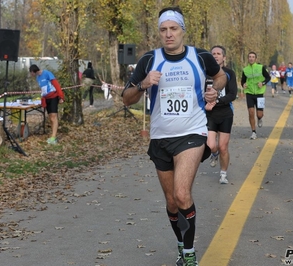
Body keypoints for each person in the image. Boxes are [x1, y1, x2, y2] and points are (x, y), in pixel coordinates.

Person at [121, 6, 227, 266]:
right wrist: (143, 84)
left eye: (173, 29)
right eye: (163, 30)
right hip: (160, 138)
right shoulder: (149, 60)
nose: (168, 34)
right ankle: (181, 245)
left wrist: (214, 89)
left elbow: (220, 76)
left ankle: (189, 255)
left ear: (183, 31)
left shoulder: (200, 56)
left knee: (181, 194)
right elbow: (126, 98)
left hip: (192, 132)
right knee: (171, 202)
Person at [206, 45, 237, 184]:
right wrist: (205, 103)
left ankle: (223, 174)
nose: (215, 56)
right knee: (211, 144)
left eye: (218, 53)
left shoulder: (230, 73)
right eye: (213, 54)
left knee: (223, 147)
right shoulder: (205, 73)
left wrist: (217, 100)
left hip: (225, 113)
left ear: (224, 57)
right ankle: (214, 153)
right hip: (210, 113)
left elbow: (232, 94)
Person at [29, 64, 65, 145]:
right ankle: (53, 135)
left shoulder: (47, 73)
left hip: (53, 97)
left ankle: (54, 137)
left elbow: (56, 85)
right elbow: (43, 88)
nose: (31, 75)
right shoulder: (38, 77)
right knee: (50, 118)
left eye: (31, 73)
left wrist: (61, 96)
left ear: (34, 71)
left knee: (53, 117)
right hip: (46, 98)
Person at [241, 52, 271, 140]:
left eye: (253, 57)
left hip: (259, 93)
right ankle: (253, 132)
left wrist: (263, 83)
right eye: (249, 57)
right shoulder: (245, 69)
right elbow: (242, 81)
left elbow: (268, 77)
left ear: (255, 59)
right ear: (248, 58)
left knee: (259, 114)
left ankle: (259, 118)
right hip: (249, 93)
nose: (251, 58)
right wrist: (243, 85)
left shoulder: (261, 67)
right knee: (250, 112)